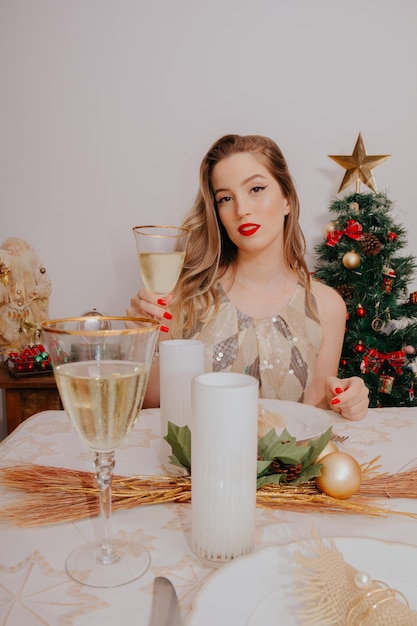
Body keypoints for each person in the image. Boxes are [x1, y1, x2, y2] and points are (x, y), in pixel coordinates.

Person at [127, 134, 369, 420]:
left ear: (287, 199)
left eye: (256, 188)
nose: (242, 209)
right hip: (202, 463)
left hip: (286, 465)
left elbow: (313, 414)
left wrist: (346, 398)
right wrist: (139, 341)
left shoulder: (326, 306)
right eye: (226, 198)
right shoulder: (185, 296)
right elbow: (151, 403)